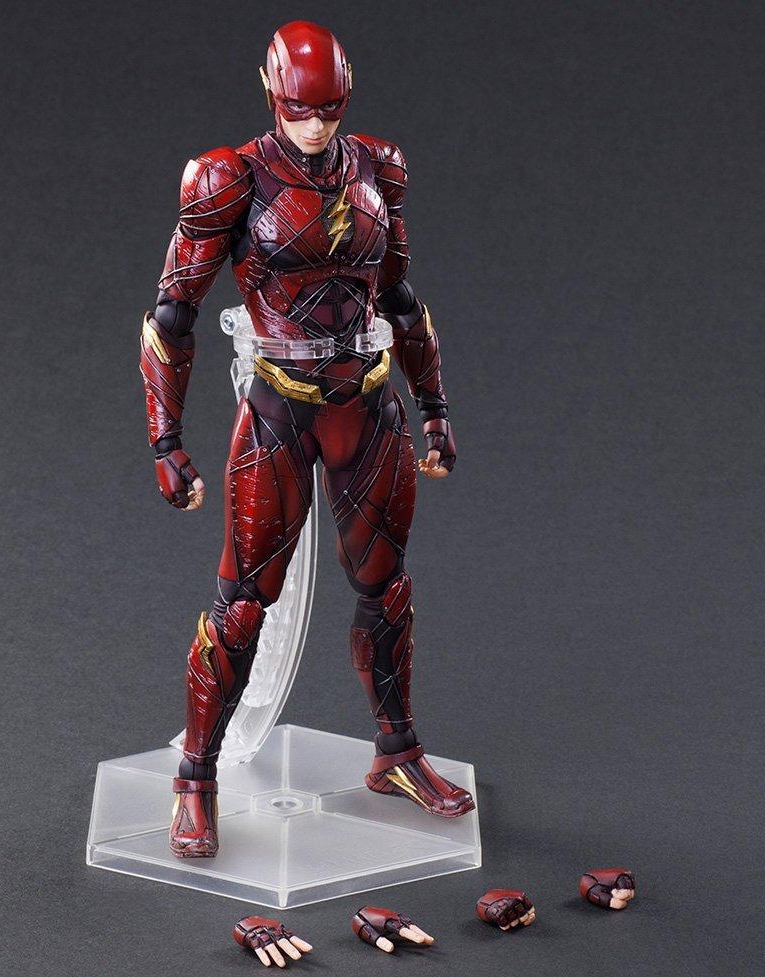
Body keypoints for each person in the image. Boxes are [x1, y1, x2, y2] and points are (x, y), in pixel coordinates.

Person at [140, 20, 472, 858]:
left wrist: (434, 403)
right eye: (299, 110)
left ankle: (396, 752)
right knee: (243, 604)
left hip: (368, 402)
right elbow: (172, 314)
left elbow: (400, 298)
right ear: (270, 93)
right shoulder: (229, 179)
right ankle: (195, 779)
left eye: (328, 109)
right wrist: (164, 440)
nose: (316, 125)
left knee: (386, 587)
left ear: (347, 96)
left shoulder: (378, 169)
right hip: (280, 409)